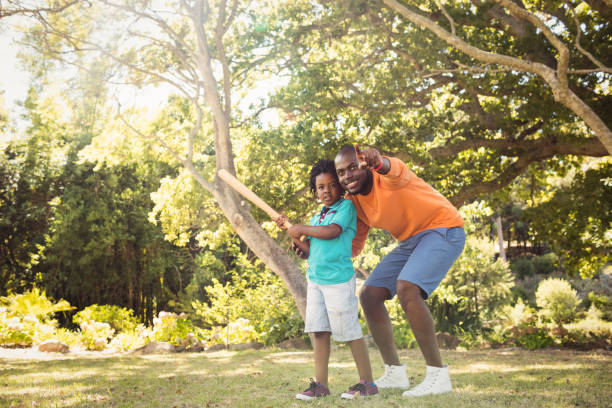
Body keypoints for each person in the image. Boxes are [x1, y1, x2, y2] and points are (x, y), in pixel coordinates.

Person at [333, 144, 466, 397]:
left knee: (407, 288)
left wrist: (377, 161)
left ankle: (438, 375)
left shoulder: (388, 174)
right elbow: (354, 246)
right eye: (341, 172)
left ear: (365, 164)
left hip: (444, 228)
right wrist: (315, 247)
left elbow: (390, 167)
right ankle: (395, 373)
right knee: (370, 295)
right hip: (411, 241)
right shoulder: (355, 202)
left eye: (353, 167)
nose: (347, 175)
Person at [275, 159, 378, 401]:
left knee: (350, 330)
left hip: (338, 281)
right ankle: (320, 385)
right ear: (315, 190)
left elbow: (332, 232)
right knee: (319, 331)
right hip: (316, 281)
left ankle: (368, 383)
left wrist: (300, 228)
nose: (327, 191)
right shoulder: (316, 216)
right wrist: (292, 235)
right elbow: (310, 250)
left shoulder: (346, 208)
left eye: (332, 185)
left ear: (340, 188)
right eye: (321, 187)